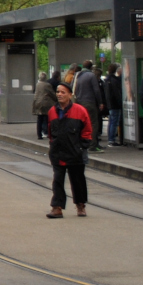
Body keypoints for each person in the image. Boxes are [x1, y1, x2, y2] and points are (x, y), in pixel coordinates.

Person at [46, 83, 91, 218]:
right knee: (58, 180)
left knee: (77, 180)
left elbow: (87, 131)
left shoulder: (80, 110)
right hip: (58, 152)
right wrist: (53, 144)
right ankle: (57, 207)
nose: (59, 94)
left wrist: (82, 147)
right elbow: (50, 131)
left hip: (75, 152)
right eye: (58, 92)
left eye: (63, 92)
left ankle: (80, 205)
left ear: (70, 95)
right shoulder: (52, 111)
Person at [73, 60, 103, 153]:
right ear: (91, 67)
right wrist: (100, 102)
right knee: (93, 123)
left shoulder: (77, 75)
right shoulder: (91, 76)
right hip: (89, 103)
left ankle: (81, 143)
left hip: (79, 103)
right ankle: (92, 145)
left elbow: (72, 88)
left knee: (81, 123)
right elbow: (96, 90)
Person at [33, 71, 56, 140]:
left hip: (38, 102)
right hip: (46, 103)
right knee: (47, 119)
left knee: (39, 119)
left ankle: (39, 135)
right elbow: (52, 94)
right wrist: (56, 99)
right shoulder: (47, 85)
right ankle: (47, 133)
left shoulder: (38, 84)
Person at [104, 64, 122, 147]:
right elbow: (117, 93)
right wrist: (120, 103)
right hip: (115, 104)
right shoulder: (114, 80)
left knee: (111, 122)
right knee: (114, 122)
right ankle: (112, 140)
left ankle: (110, 139)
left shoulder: (107, 79)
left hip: (110, 103)